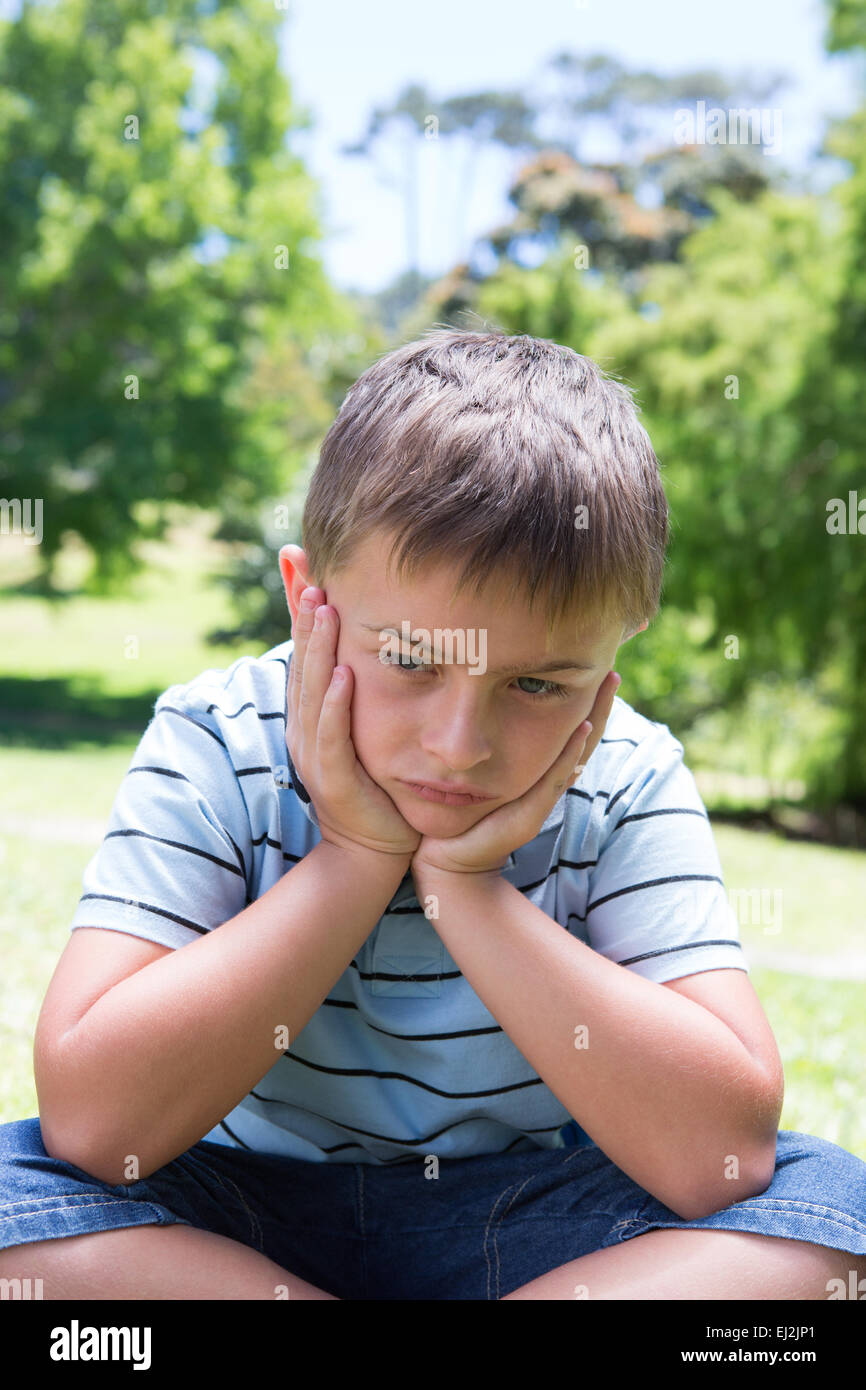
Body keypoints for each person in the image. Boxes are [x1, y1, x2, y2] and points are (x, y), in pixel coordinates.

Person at [1, 329, 864, 1301]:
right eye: (411, 660)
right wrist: (353, 858)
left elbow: (721, 1157)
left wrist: (466, 889)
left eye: (536, 682)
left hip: (535, 1229)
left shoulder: (624, 775)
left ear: (612, 654)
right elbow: (91, 1125)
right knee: (13, 1211)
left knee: (833, 1223)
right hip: (233, 1226)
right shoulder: (218, 739)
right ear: (306, 602)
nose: (459, 744)